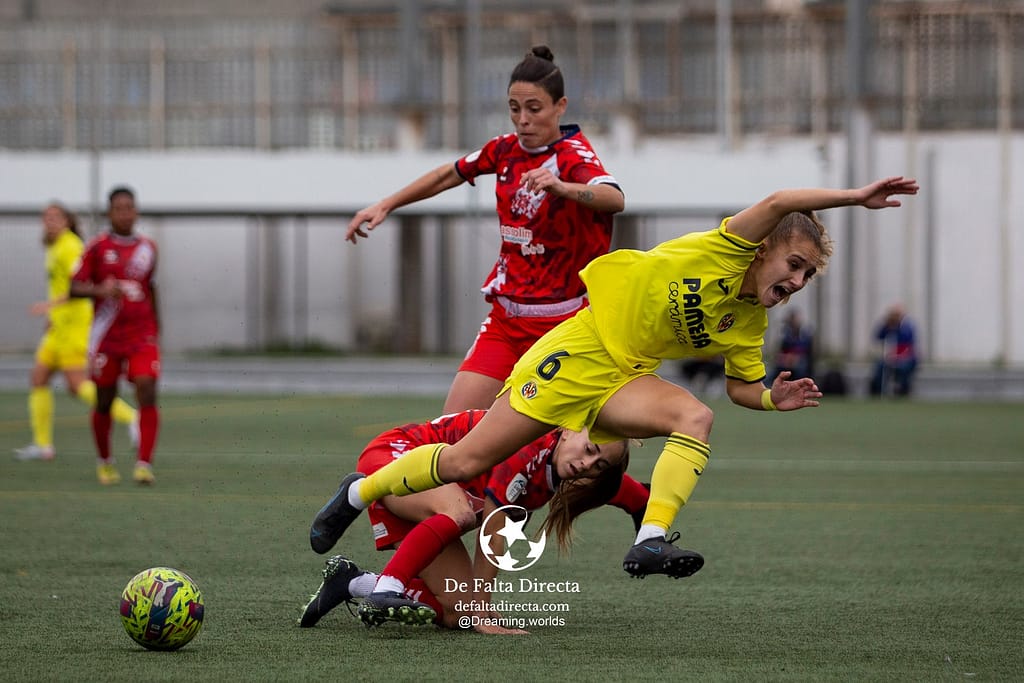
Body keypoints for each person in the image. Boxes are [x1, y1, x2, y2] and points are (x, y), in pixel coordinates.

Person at [309, 176, 919, 601]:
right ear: (762, 250)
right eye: (794, 264)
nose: (799, 279)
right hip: (578, 351)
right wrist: (854, 198)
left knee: (696, 418)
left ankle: (650, 540)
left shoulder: (750, 321)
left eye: (809, 274)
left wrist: (768, 398)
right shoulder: (726, 246)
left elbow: (740, 385)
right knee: (470, 458)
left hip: (621, 378)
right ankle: (359, 491)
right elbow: (783, 198)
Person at [345, 45, 624, 415]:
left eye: (534, 108)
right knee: (453, 430)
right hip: (506, 320)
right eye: (514, 108)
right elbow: (449, 173)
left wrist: (562, 187)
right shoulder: (505, 150)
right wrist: (386, 204)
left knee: (567, 451)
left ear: (561, 106)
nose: (522, 119)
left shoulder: (573, 156)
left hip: (564, 324)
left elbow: (613, 198)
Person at [302, 409, 639, 632]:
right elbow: (493, 527)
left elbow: (621, 487)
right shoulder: (534, 442)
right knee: (461, 513)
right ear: (568, 431)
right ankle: (386, 586)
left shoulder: (561, 464)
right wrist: (483, 609)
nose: (587, 464)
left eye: (598, 465)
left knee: (456, 612)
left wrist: (651, 522)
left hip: (430, 500)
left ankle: (353, 582)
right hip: (395, 458)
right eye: (590, 449)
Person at [14, 203, 139, 461]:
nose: (50, 221)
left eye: (55, 216)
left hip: (75, 326)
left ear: (67, 221)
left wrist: (48, 306)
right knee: (38, 377)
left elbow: (80, 285)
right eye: (46, 217)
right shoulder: (55, 246)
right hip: (58, 327)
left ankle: (131, 417)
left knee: (77, 385)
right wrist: (52, 315)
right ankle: (43, 445)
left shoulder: (71, 246)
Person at [69, 187, 161, 485]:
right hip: (107, 336)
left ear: (136, 211)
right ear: (110, 213)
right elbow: (73, 287)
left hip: (141, 334)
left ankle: (144, 464)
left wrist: (157, 327)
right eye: (119, 208)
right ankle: (105, 461)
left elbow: (151, 288)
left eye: (129, 207)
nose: (125, 213)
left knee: (147, 389)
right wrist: (100, 290)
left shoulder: (148, 249)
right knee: (105, 400)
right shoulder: (96, 248)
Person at [869, 303, 918, 397]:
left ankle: (902, 391)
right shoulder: (887, 326)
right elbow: (878, 338)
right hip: (890, 357)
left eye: (897, 315)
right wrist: (887, 326)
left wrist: (896, 354)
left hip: (906, 358)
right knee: (880, 366)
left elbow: (908, 347)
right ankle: (877, 391)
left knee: (904, 368)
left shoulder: (907, 327)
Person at [769, 309, 814, 383]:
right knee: (776, 367)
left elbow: (806, 349)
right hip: (787, 360)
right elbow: (782, 349)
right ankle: (769, 385)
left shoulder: (805, 333)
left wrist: (795, 357)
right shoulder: (786, 332)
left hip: (801, 359)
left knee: (801, 366)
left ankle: (801, 384)